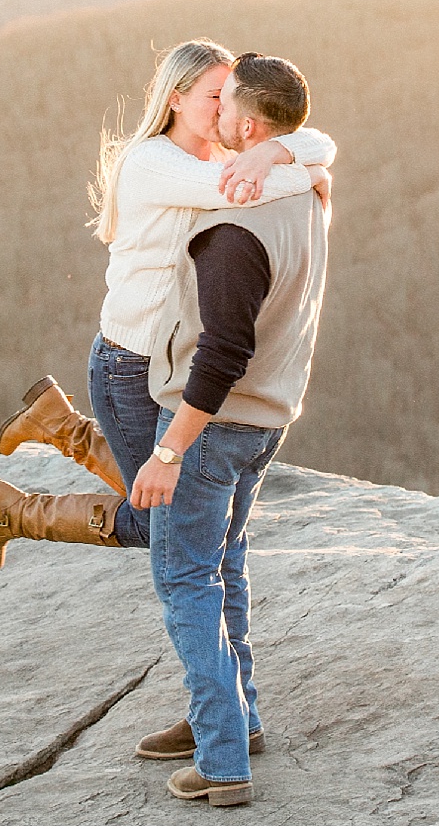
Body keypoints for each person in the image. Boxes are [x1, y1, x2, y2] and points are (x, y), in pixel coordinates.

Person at [0, 39, 332, 565]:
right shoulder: (156, 163)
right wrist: (307, 172)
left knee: (171, 494)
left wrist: (276, 149)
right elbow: (275, 179)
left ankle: (57, 425)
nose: (228, 107)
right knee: (157, 519)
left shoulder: (228, 156)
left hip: (169, 358)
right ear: (176, 100)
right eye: (216, 95)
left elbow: (316, 139)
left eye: (231, 95)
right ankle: (15, 511)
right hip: (131, 364)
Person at [124, 52, 332, 807]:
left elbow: (221, 356)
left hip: (215, 428)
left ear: (248, 123)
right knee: (226, 567)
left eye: (224, 109)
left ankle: (221, 762)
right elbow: (315, 151)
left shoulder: (232, 227)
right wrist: (287, 147)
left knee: (185, 579)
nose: (214, 120)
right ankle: (237, 720)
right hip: (271, 418)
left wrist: (167, 449)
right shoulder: (309, 191)